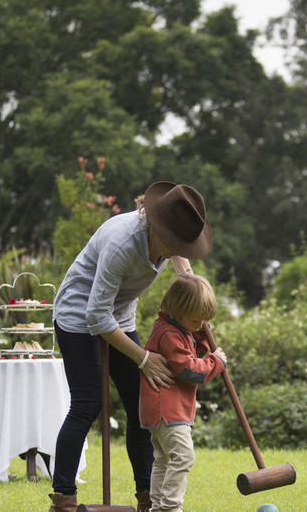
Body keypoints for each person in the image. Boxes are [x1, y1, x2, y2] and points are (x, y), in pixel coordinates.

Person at [49, 182, 213, 512]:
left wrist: (190, 286)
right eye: (175, 242)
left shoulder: (167, 239)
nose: (177, 248)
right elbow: (96, 315)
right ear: (157, 226)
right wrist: (142, 359)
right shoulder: (122, 243)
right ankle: (64, 500)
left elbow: (177, 260)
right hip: (79, 315)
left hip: (120, 316)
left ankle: (147, 499)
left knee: (143, 405)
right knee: (87, 403)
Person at [139, 274, 227, 512]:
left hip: (160, 411)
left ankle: (158, 507)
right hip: (167, 410)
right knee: (183, 457)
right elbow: (189, 370)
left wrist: (199, 340)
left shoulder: (174, 329)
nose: (200, 325)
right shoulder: (169, 335)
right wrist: (215, 362)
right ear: (178, 311)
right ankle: (169, 507)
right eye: (196, 320)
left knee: (164, 460)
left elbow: (187, 354)